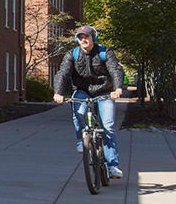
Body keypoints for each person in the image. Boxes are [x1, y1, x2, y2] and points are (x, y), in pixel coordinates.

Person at [52, 25, 123, 179]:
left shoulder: (105, 52)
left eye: (86, 36)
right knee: (78, 112)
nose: (83, 39)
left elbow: (115, 70)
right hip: (82, 90)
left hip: (104, 91)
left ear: (93, 38)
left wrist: (117, 88)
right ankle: (81, 139)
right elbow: (63, 73)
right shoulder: (73, 54)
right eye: (80, 37)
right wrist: (58, 92)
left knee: (108, 126)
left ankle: (112, 166)